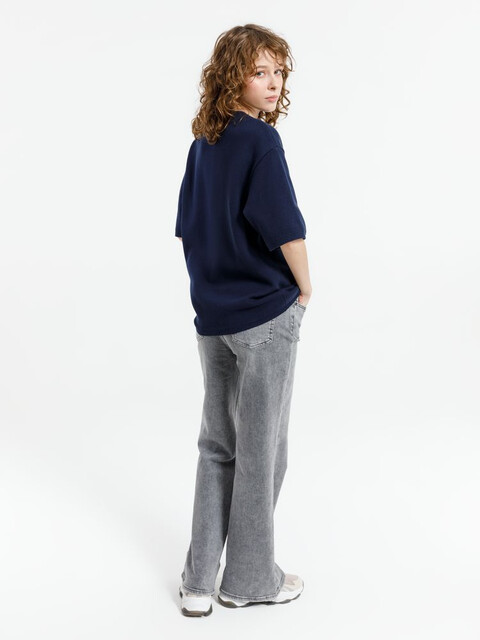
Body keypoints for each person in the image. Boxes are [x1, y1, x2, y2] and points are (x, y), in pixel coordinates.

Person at [175, 24, 312, 617]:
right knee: (262, 451)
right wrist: (305, 288)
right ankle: (250, 580)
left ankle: (198, 583)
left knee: (217, 446)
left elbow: (188, 228)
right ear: (232, 75)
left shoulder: (204, 142)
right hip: (262, 317)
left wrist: (208, 294)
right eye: (260, 71)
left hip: (213, 317)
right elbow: (286, 229)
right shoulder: (260, 141)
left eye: (278, 72)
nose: (273, 82)